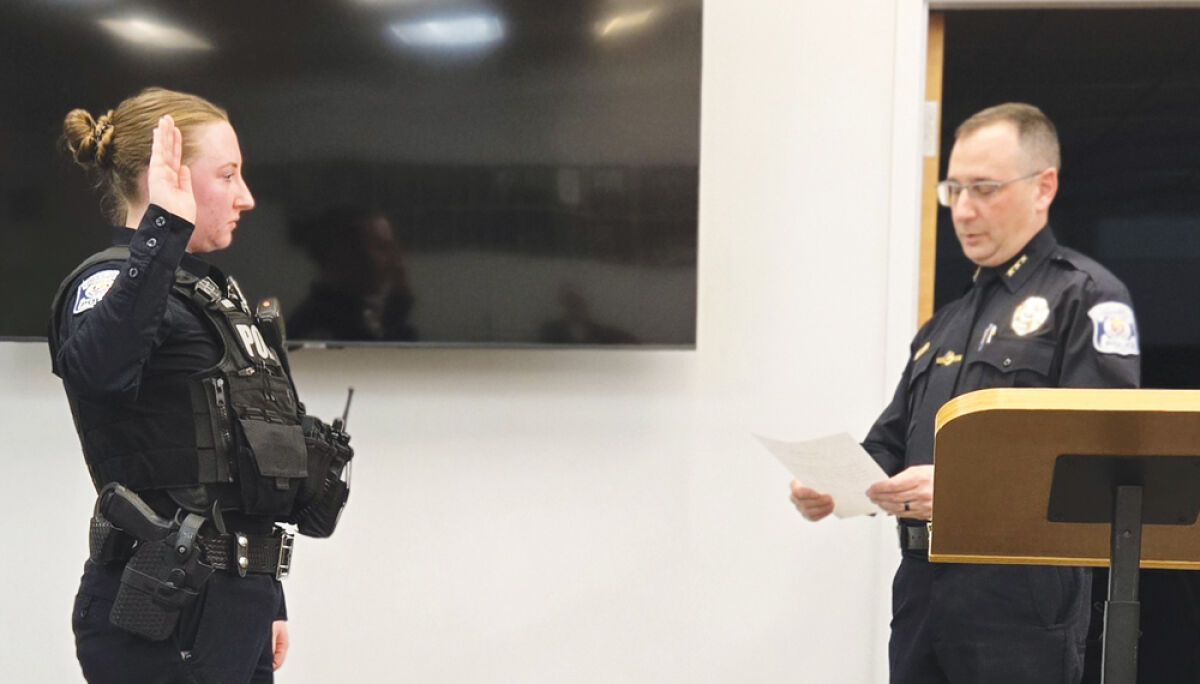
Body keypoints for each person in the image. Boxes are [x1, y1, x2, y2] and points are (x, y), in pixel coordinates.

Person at [789, 103, 1140, 683]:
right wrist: (834, 482)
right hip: (924, 588)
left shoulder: (1086, 298)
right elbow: (890, 442)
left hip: (1021, 599)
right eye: (954, 189)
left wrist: (961, 491)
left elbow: (1099, 464)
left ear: (1042, 187)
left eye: (985, 188)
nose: (965, 210)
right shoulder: (943, 325)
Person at [51, 88, 352, 683]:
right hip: (161, 612)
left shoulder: (214, 297)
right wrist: (162, 228)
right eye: (228, 175)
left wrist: (266, 597)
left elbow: (241, 464)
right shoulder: (108, 283)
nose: (246, 196)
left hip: (234, 605)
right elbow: (99, 372)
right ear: (165, 176)